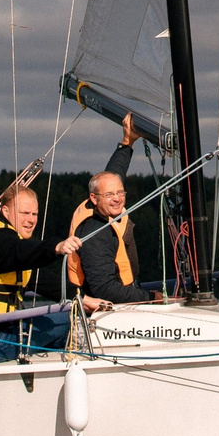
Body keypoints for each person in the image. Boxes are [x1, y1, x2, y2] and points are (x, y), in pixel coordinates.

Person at [0, 184, 102, 364]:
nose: (31, 220)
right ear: (6, 211)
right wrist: (55, 247)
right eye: (24, 213)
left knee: (61, 314)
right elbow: (21, 251)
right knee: (66, 321)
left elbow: (38, 278)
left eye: (34, 214)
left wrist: (82, 298)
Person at [66, 116, 169, 304]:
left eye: (120, 192)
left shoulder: (102, 204)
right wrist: (149, 297)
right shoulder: (95, 231)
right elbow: (104, 288)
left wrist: (127, 142)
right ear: (94, 198)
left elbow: (114, 173)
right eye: (110, 195)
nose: (117, 199)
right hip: (105, 309)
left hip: (125, 292)